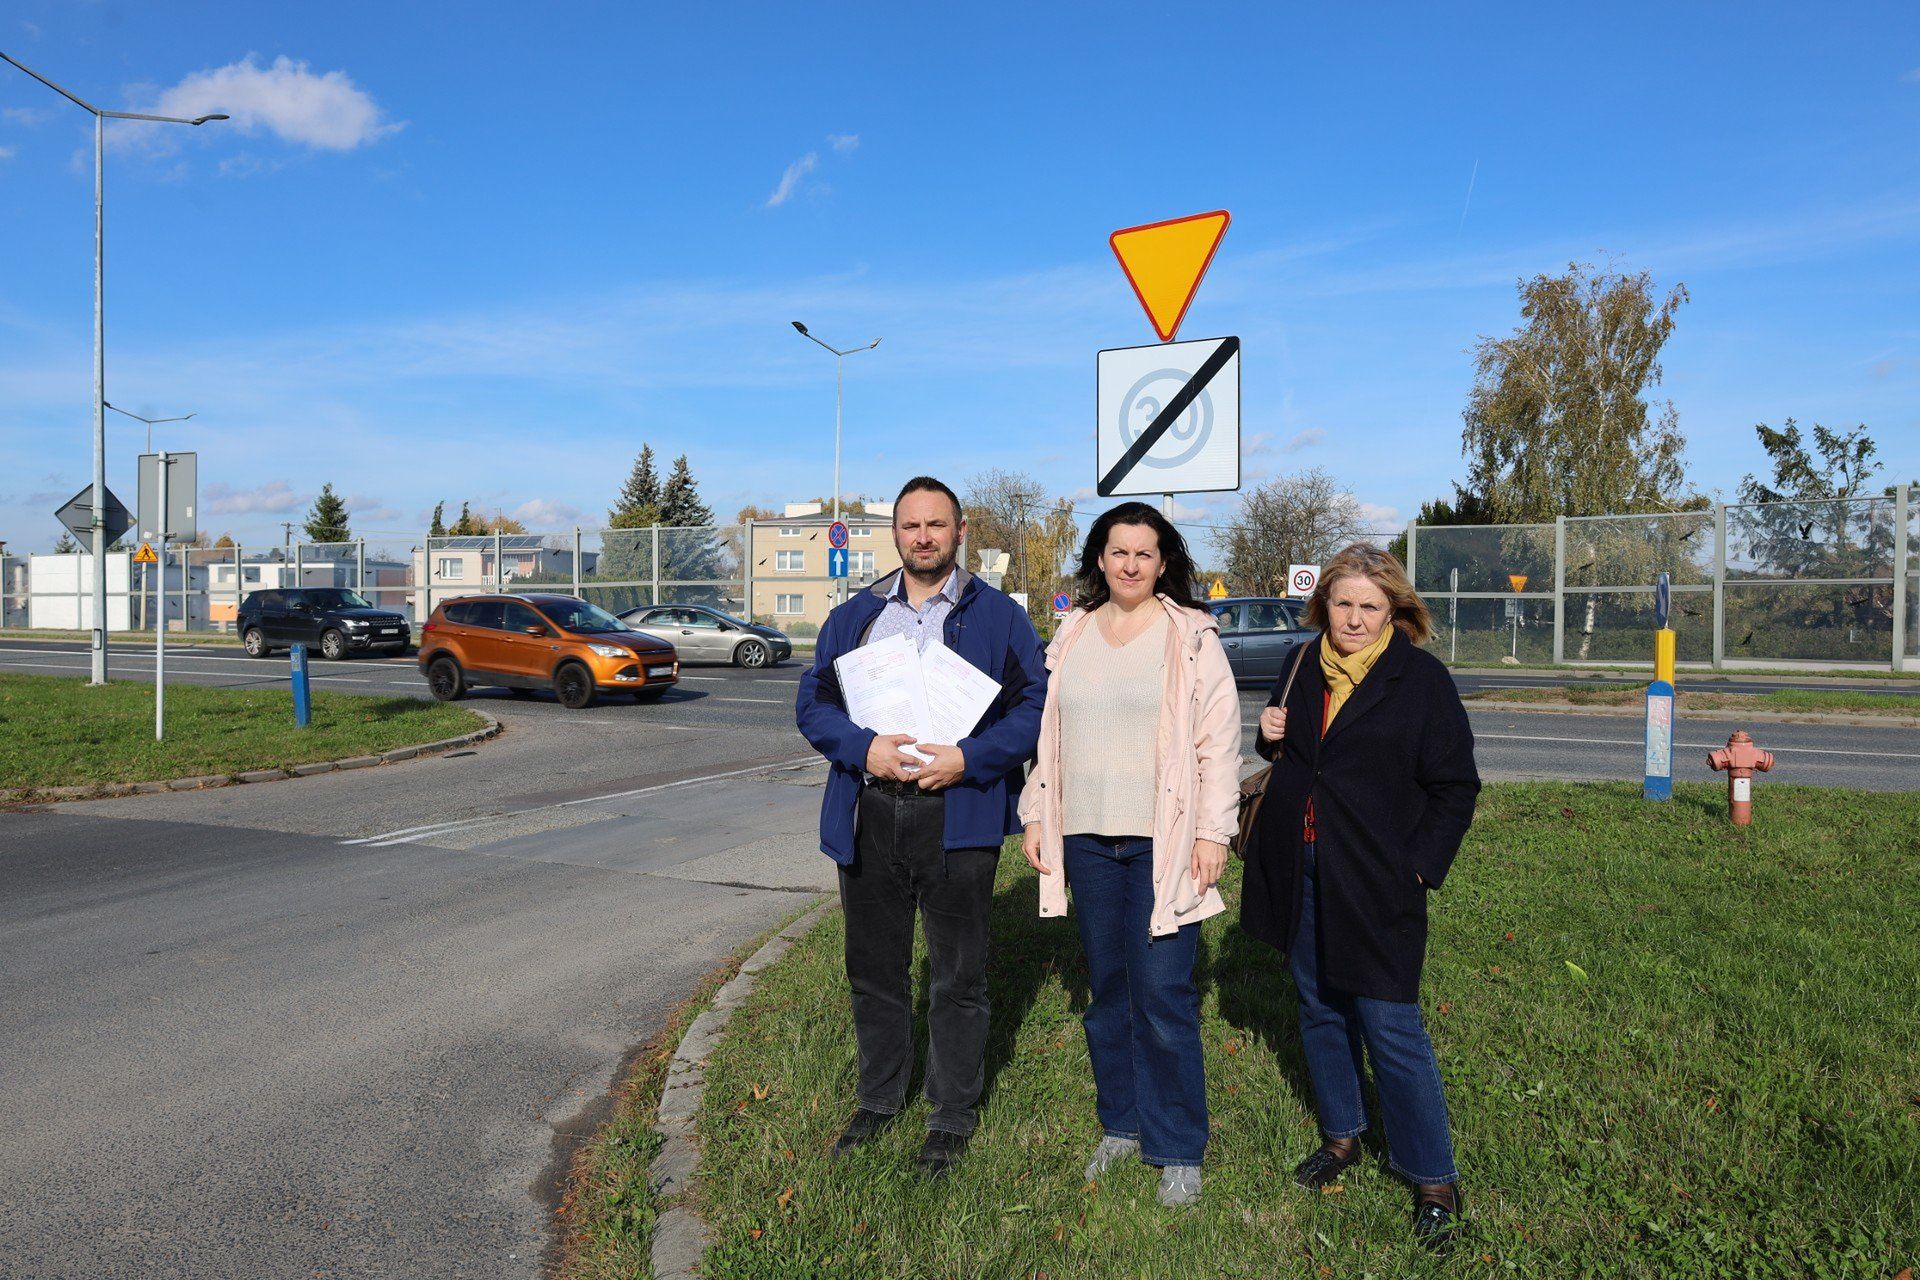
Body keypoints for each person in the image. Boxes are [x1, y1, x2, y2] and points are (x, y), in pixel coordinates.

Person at [794, 476, 1047, 1178]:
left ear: (960, 532)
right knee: (873, 970)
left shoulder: (998, 617)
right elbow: (814, 704)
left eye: (938, 525)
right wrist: (861, 748)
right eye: (912, 526)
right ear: (896, 534)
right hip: (870, 810)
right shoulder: (856, 618)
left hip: (957, 817)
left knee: (958, 976)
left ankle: (951, 1114)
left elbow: (1035, 708)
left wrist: (970, 758)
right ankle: (879, 1099)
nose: (924, 536)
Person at [1238, 543, 1480, 1250]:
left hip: (1376, 874)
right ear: (1324, 605)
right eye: (1342, 603)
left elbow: (1454, 787)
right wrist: (1265, 735)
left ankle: (1434, 1178)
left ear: (1394, 611)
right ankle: (1343, 1136)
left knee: (1388, 1019)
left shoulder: (1421, 681)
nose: (1352, 617)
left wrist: (1418, 868)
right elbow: (1288, 759)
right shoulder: (1299, 663)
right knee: (1317, 1004)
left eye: (1369, 606)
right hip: (1298, 859)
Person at [1016, 502, 1239, 1207]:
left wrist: (1213, 833)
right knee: (1109, 990)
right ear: (1100, 559)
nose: (1131, 565)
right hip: (1086, 838)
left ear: (1163, 561)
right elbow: (1046, 738)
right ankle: (1121, 1123)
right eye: (1119, 552)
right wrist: (1034, 815)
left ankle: (1177, 1145)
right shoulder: (1072, 634)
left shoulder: (1192, 637)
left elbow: (1217, 745)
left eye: (1144, 553)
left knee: (1165, 993)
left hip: (1162, 844)